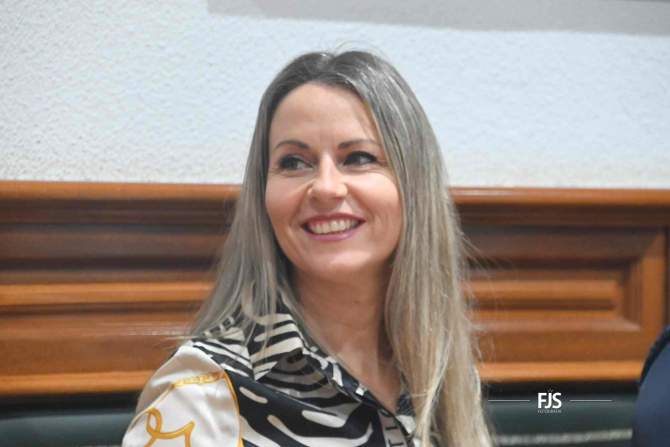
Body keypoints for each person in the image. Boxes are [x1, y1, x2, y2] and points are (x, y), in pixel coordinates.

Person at [122, 50, 493, 447]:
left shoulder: (438, 373)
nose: (326, 187)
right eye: (294, 163)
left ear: (414, 188)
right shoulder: (201, 397)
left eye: (358, 158)